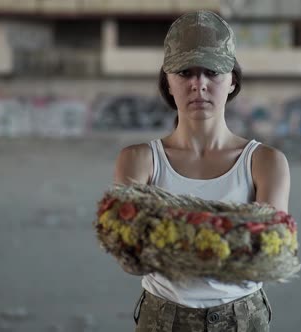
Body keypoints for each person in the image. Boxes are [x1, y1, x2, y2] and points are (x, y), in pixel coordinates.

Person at [113, 10, 291, 332]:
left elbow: (266, 255)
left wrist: (166, 234)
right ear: (167, 80)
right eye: (185, 72)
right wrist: (231, 236)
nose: (199, 84)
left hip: (243, 319)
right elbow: (129, 254)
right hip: (162, 319)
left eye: (212, 71)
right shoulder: (138, 160)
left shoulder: (266, 162)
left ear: (232, 79)